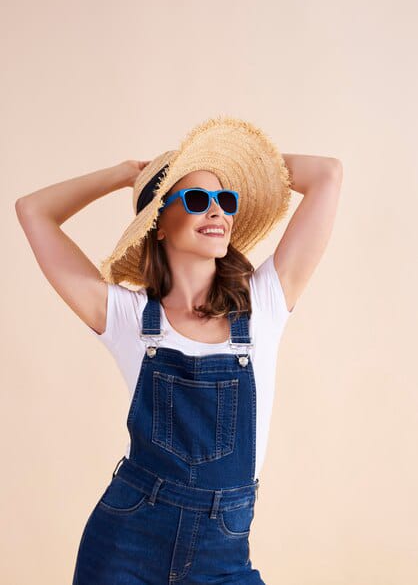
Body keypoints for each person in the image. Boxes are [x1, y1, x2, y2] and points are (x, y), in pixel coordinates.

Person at [15, 116, 343, 584]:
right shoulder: (127, 319)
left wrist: (244, 169)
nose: (217, 212)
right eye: (195, 199)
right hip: (126, 544)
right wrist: (126, 173)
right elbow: (32, 210)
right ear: (159, 225)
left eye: (225, 199)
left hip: (222, 553)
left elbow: (327, 174)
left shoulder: (264, 304)